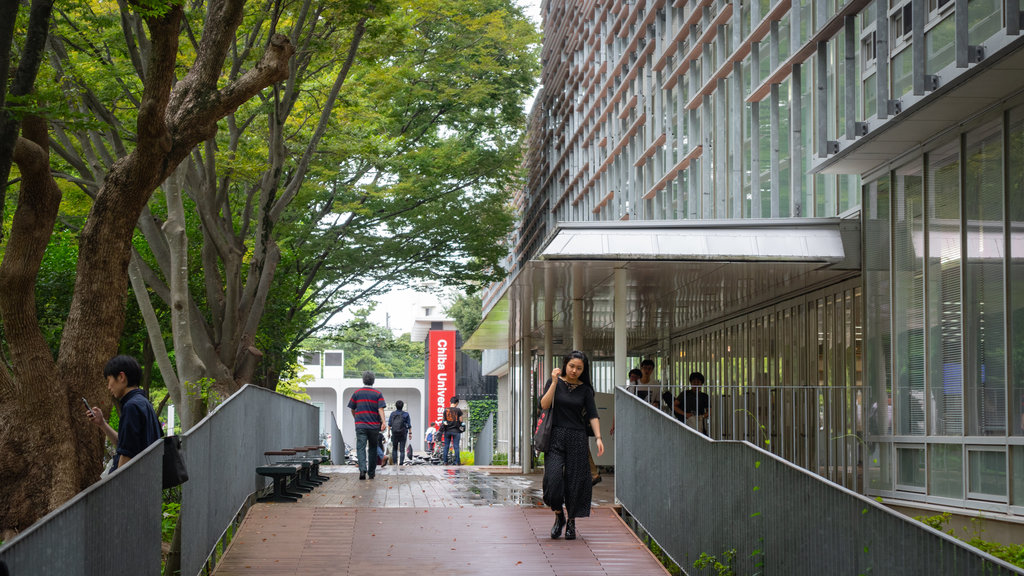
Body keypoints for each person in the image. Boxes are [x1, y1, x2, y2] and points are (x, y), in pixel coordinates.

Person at [541, 351, 603, 541]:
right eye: (571, 366)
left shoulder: (585, 390)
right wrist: (553, 382)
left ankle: (572, 522)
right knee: (553, 480)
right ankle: (559, 516)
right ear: (565, 364)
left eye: (579, 368)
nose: (574, 370)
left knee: (576, 482)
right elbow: (544, 405)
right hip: (555, 436)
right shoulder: (555, 383)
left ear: (583, 370)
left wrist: (599, 438)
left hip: (577, 438)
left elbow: (592, 414)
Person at [86, 355, 162, 473]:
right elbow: (125, 443)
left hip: (133, 483)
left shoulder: (131, 406)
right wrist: (102, 424)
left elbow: (127, 454)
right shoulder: (144, 403)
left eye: (109, 380)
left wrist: (116, 486)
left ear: (121, 377)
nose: (109, 387)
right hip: (148, 481)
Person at [347, 371, 386, 480]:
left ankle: (362, 470)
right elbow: (380, 408)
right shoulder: (378, 394)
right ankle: (371, 473)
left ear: (363, 380)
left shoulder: (357, 393)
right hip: (374, 426)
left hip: (360, 426)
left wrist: (357, 418)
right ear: (373, 381)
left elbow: (352, 408)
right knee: (373, 448)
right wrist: (383, 422)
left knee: (360, 448)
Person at [441, 396, 464, 465]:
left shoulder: (445, 410)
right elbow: (461, 420)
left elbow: (443, 421)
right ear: (457, 403)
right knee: (456, 446)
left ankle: (445, 461)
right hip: (456, 431)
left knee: (446, 446)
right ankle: (457, 462)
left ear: (450, 402)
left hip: (447, 431)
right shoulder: (458, 410)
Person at [389, 400, 412, 466]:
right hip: (403, 433)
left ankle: (395, 463)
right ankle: (401, 463)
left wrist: (388, 433)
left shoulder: (392, 414)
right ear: (402, 406)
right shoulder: (406, 414)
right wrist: (410, 433)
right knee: (402, 449)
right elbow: (409, 425)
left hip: (394, 433)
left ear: (396, 406)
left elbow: (389, 424)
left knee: (394, 448)